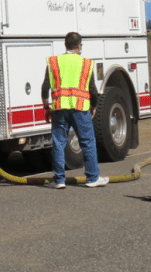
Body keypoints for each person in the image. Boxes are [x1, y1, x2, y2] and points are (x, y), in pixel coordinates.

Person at [41, 32, 109, 189]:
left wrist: (46, 107)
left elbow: (45, 87)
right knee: (87, 142)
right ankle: (92, 178)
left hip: (59, 108)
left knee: (58, 143)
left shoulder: (54, 62)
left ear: (65, 45)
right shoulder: (85, 64)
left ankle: (59, 180)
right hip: (80, 108)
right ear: (79, 46)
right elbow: (92, 90)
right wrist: (94, 106)